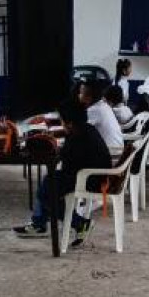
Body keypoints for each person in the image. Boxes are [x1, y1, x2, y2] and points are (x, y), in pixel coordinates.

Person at [13, 97, 112, 247]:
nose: (61, 124)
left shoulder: (77, 139)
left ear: (70, 123)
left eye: (62, 121)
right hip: (94, 175)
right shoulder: (86, 130)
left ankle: (80, 224)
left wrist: (54, 149)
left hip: (91, 179)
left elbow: (67, 163)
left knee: (47, 191)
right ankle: (39, 222)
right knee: (48, 182)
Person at [78, 78, 125, 159]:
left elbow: (77, 130)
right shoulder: (102, 105)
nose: (78, 95)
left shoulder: (94, 110)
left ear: (89, 97)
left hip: (111, 154)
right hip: (116, 150)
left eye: (81, 93)